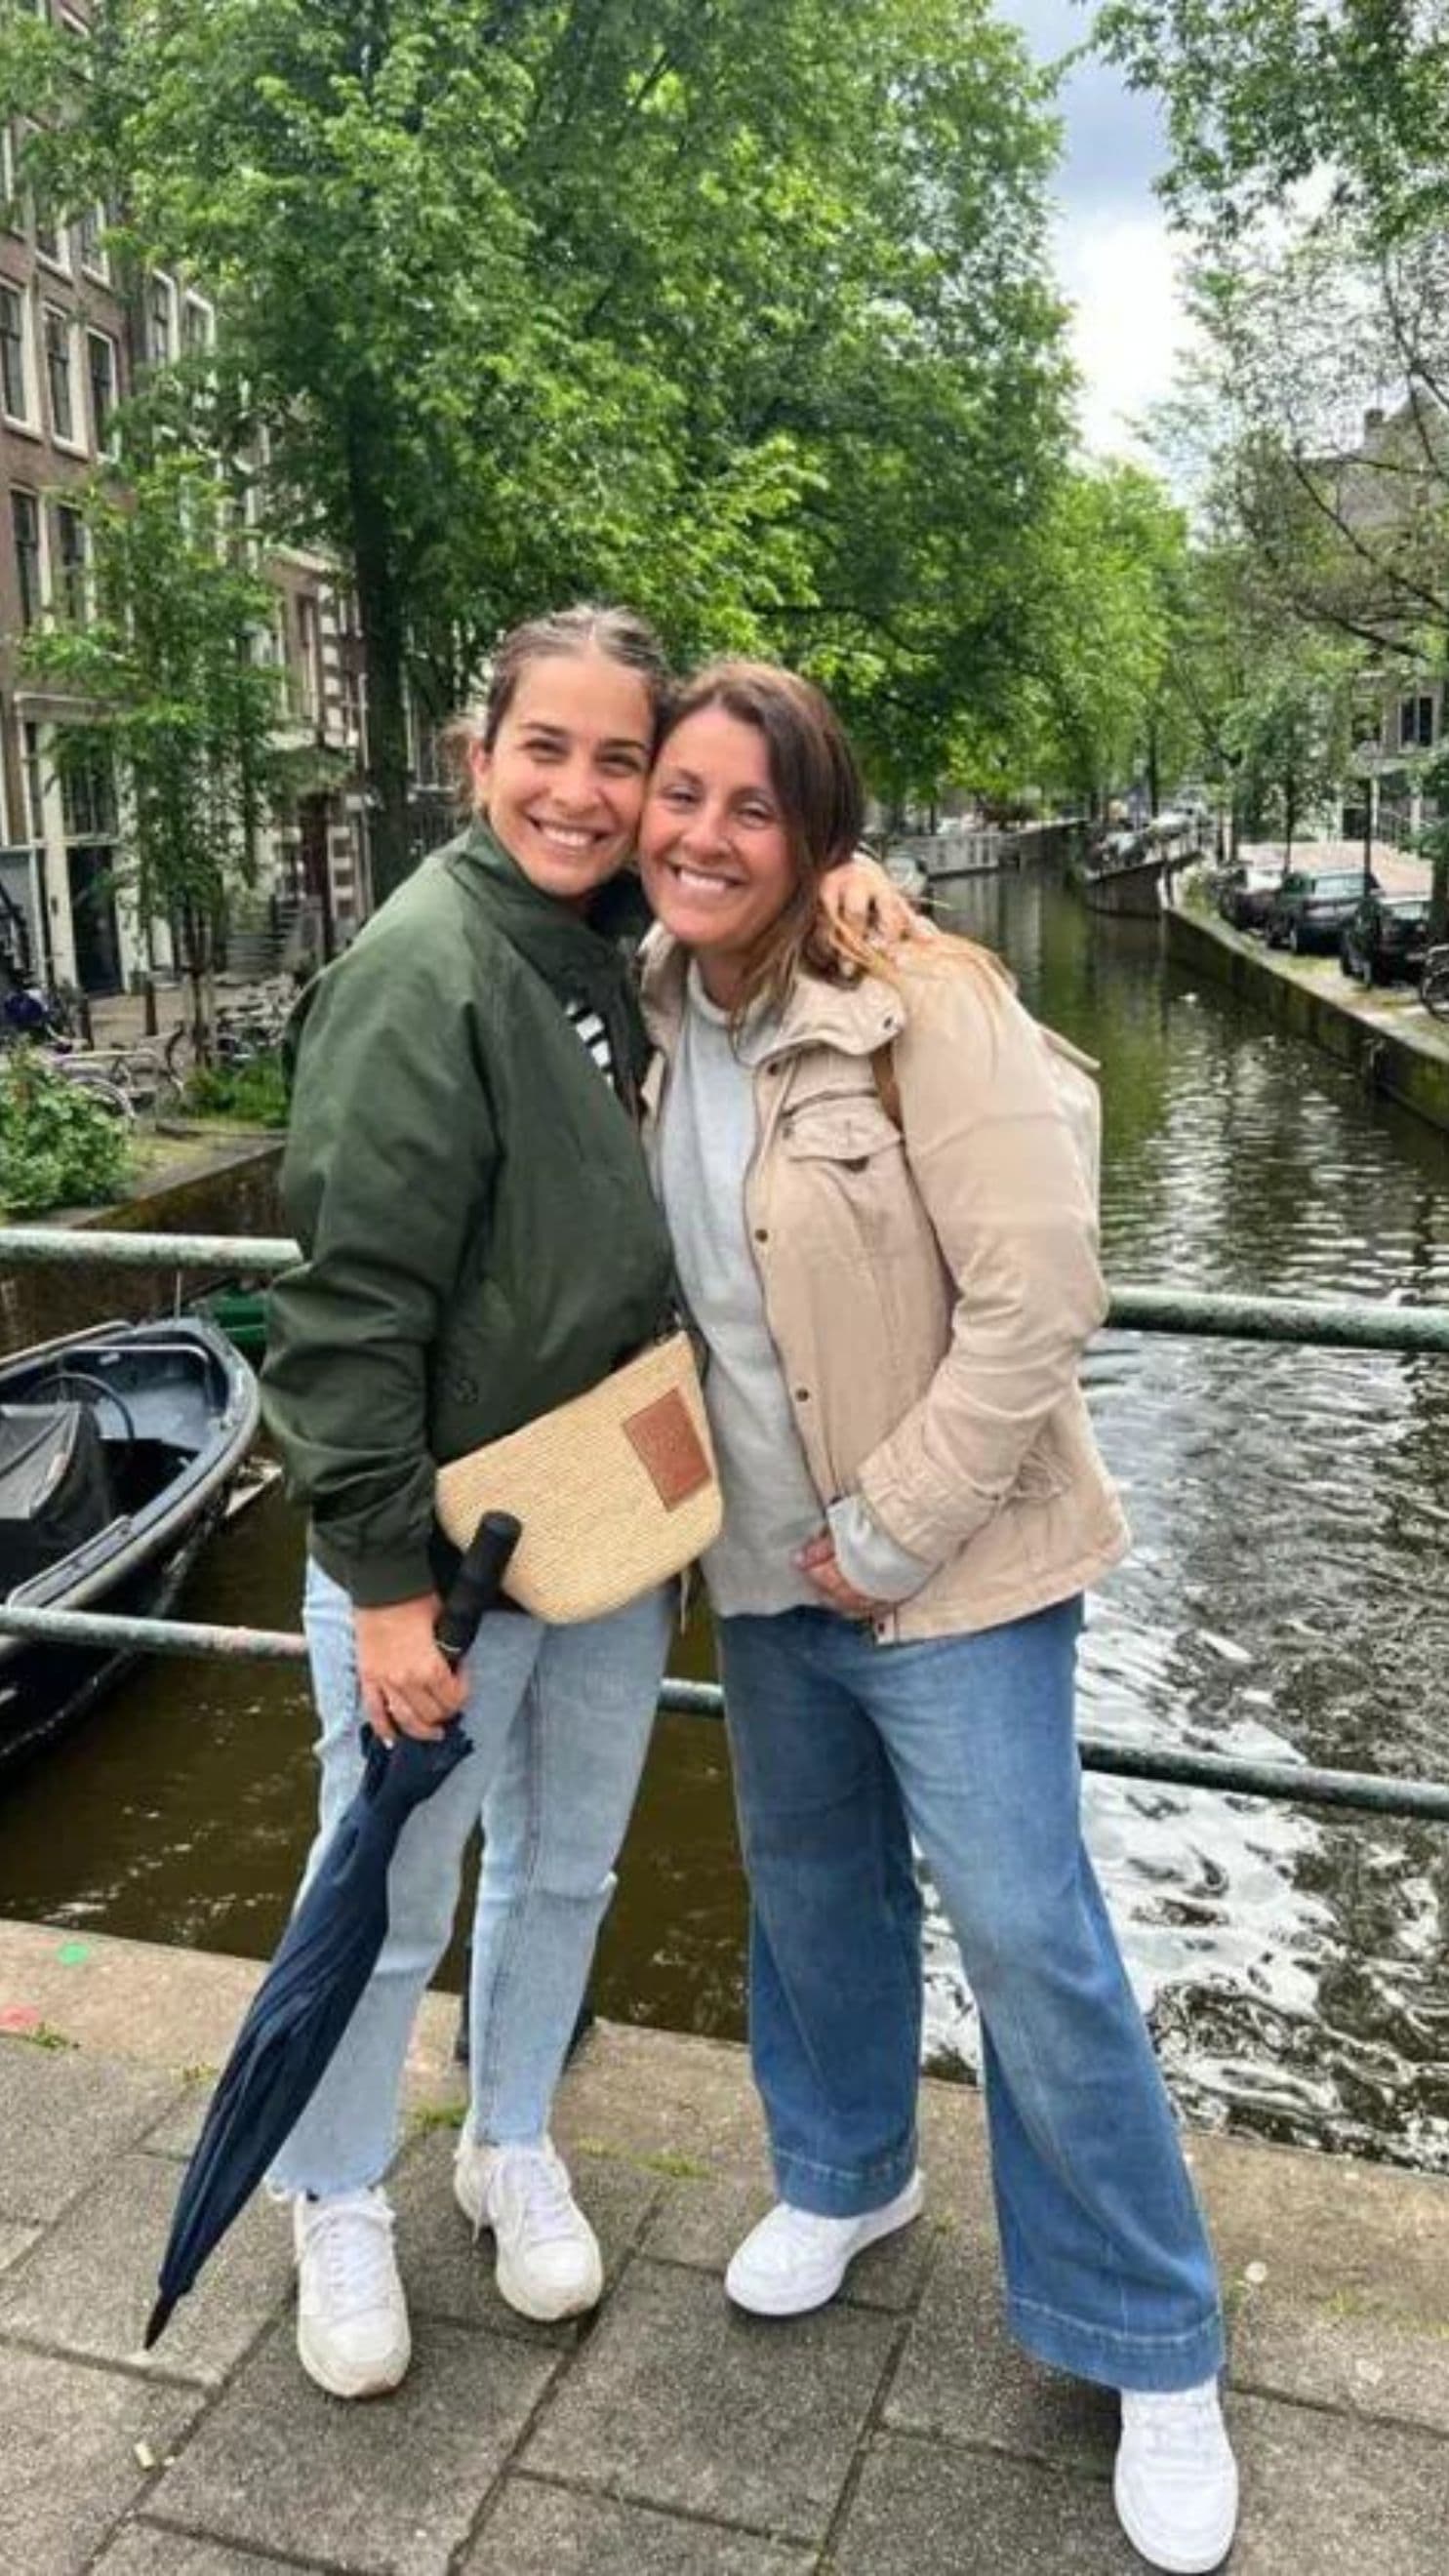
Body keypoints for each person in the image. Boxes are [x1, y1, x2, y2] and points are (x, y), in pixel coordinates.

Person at [259, 605, 906, 2403]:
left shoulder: (601, 946)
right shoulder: (421, 969)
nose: (584, 788)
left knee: (569, 1864)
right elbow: (346, 1309)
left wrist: (856, 894)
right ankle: (329, 2191)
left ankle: (509, 2134)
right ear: (479, 759)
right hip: (449, 1562)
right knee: (387, 1886)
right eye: (547, 748)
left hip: (606, 1530)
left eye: (619, 760)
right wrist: (385, 1590)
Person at [634, 661, 1239, 2576]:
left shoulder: (929, 1009)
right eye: (682, 796)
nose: (700, 833)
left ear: (819, 835)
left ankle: (1153, 2338)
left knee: (1026, 1936)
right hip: (754, 1562)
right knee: (809, 1895)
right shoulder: (643, 1007)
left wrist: (888, 1529)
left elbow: (1038, 1304)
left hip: (945, 1573)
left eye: (750, 805)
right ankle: (844, 2176)